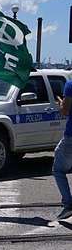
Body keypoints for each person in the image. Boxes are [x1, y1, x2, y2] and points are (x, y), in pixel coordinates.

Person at [52, 81, 72, 220]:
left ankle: (68, 204)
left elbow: (65, 111)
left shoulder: (70, 85)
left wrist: (60, 103)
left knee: (58, 170)